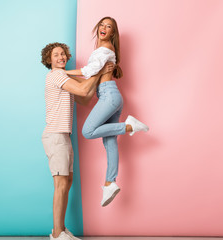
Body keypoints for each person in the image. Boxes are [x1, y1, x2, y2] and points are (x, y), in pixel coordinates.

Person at [65, 16, 149, 207]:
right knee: (110, 143)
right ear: (98, 29)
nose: (104, 28)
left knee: (87, 131)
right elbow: (97, 71)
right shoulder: (104, 50)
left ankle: (129, 126)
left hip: (109, 96)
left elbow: (91, 70)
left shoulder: (106, 48)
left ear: (113, 33)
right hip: (110, 96)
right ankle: (110, 183)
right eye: (102, 25)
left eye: (109, 26)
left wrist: (63, 72)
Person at [41, 42, 113, 240]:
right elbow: (82, 91)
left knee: (67, 182)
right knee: (61, 185)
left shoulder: (64, 77)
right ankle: (56, 234)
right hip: (55, 135)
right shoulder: (55, 75)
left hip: (63, 136)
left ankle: (62, 230)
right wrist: (98, 72)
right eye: (56, 55)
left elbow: (85, 98)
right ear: (49, 60)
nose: (61, 57)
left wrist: (99, 77)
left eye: (63, 54)